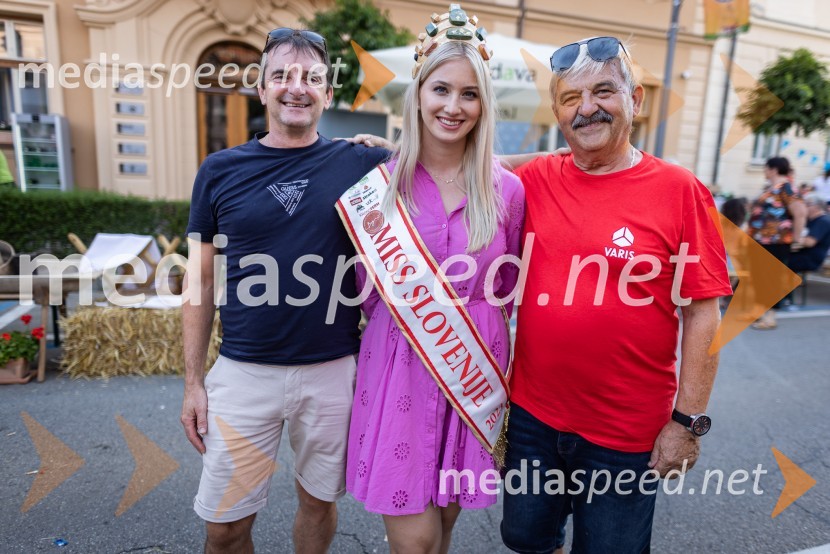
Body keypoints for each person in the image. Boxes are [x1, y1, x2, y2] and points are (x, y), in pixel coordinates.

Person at [498, 36, 733, 553]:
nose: (587, 109)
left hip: (624, 433)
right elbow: (466, 165)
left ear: (636, 100)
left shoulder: (679, 189)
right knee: (525, 538)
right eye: (570, 99)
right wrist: (389, 151)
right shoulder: (538, 176)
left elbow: (703, 313)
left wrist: (687, 423)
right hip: (534, 417)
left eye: (604, 91)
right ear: (558, 112)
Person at [181, 28, 388, 553]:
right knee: (224, 529)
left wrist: (394, 147)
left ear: (329, 93)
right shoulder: (219, 170)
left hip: (333, 371)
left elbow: (455, 169)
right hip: (244, 372)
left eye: (311, 78)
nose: (296, 88)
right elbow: (200, 280)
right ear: (262, 88)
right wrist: (192, 383)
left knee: (318, 503)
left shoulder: (362, 164)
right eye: (282, 76)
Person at [343, 7, 525, 554]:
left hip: (472, 364)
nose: (453, 106)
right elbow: (367, 294)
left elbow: (506, 290)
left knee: (443, 529)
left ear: (484, 105)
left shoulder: (508, 192)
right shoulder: (379, 184)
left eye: (470, 94)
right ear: (418, 94)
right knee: (415, 540)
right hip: (400, 360)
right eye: (441, 89)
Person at [748, 156, 806, 329]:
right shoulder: (772, 188)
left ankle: (770, 317)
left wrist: (796, 238)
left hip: (777, 241)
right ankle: (761, 313)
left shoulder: (786, 188)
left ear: (773, 169)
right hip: (763, 240)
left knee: (772, 279)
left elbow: (800, 212)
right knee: (760, 278)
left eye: (766, 168)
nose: (764, 171)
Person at [788, 193, 830, 272]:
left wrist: (793, 238)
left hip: (809, 258)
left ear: (817, 207)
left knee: (779, 258)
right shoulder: (810, 220)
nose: (804, 206)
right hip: (802, 254)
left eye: (807, 204)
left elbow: (809, 242)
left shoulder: (823, 221)